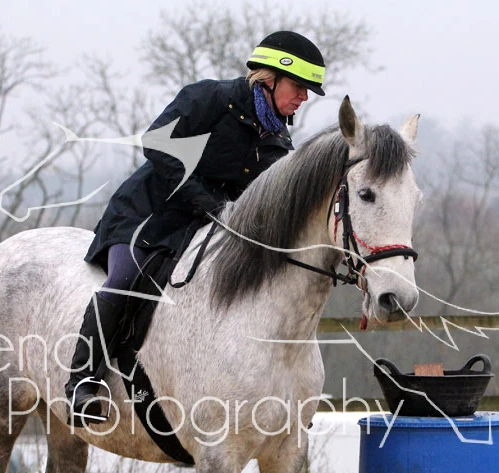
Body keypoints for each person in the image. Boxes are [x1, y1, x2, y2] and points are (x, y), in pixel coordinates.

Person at [66, 30, 326, 426]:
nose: (304, 97)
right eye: (299, 86)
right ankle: (81, 382)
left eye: (308, 91)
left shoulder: (278, 142)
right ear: (270, 78)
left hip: (206, 227)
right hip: (147, 214)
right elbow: (156, 143)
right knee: (125, 279)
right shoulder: (211, 98)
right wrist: (205, 199)